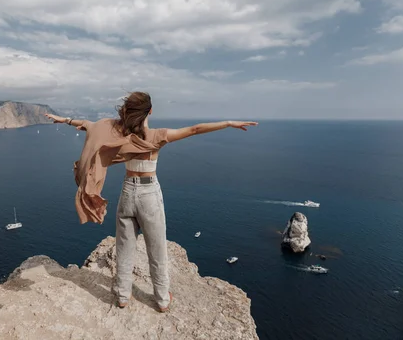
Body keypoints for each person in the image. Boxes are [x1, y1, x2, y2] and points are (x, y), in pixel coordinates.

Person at [45, 92, 257, 312]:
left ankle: (122, 296)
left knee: (124, 248)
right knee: (156, 250)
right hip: (149, 194)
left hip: (127, 192)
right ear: (150, 111)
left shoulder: (116, 131)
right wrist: (229, 123)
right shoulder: (157, 135)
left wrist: (67, 120)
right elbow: (195, 129)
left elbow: (90, 125)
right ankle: (162, 300)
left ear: (126, 111)